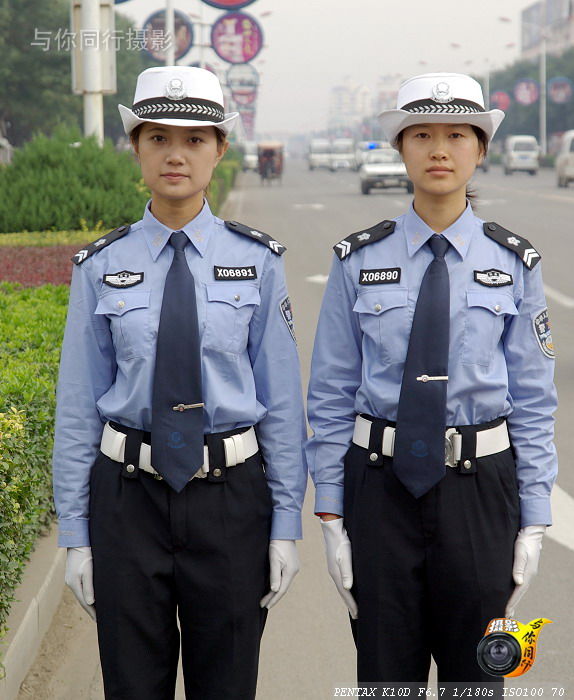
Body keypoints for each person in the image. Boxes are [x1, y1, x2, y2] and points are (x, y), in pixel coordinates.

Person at [53, 66, 307, 700]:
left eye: (195, 139)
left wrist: (285, 524)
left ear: (220, 150)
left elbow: (280, 403)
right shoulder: (100, 266)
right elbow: (78, 407)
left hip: (231, 502)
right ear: (135, 149)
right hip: (127, 500)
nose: (175, 154)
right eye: (158, 138)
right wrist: (76, 536)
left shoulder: (258, 261)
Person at [306, 73, 557, 686]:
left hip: (480, 493)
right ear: (400, 147)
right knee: (386, 678)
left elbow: (532, 399)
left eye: (456, 135)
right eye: (421, 135)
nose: (439, 150)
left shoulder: (514, 262)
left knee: (477, 680)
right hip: (379, 488)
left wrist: (534, 518)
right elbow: (331, 393)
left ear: (481, 149)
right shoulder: (358, 259)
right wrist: (332, 513)